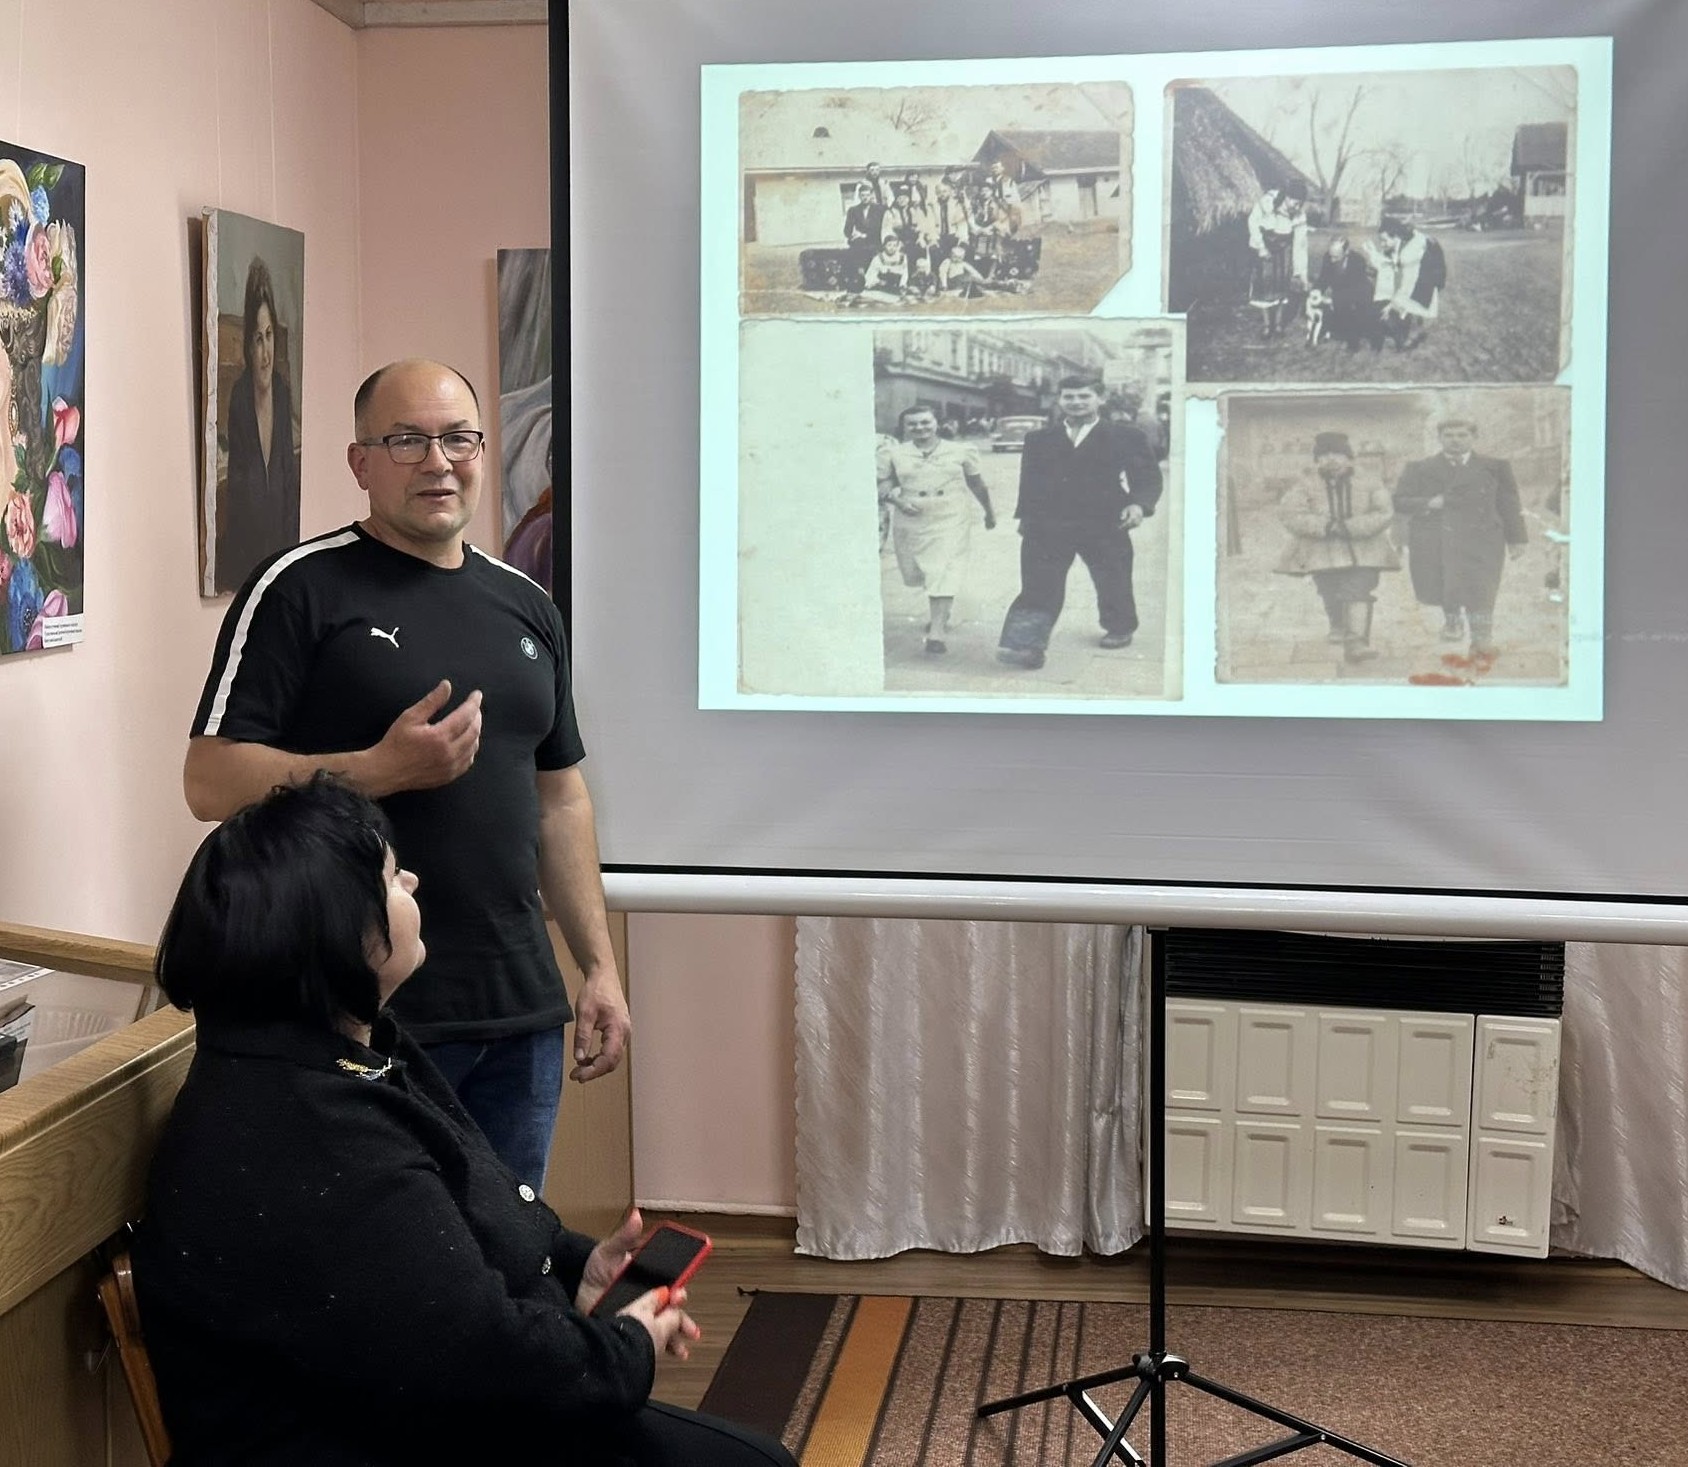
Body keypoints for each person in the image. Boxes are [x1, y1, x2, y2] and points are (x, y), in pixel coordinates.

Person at [131, 776, 796, 1467]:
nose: (413, 880)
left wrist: (576, 1269)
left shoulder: (348, 1054)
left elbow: (466, 1224)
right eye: (392, 875)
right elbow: (475, 1354)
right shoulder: (308, 1128)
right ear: (337, 931)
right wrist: (624, 1350)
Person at [182, 358, 630, 1188]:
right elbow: (209, 779)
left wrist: (598, 966)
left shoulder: (527, 605)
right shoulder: (298, 589)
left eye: (458, 438)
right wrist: (374, 770)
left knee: (512, 1257)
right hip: (362, 1014)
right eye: (407, 440)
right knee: (378, 1275)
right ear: (360, 463)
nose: (438, 460)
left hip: (518, 1010)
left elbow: (559, 799)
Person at [996, 375, 1163, 670]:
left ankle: (1119, 625)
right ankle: (1026, 644)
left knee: (1113, 576)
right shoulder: (1039, 439)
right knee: (1038, 583)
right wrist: (1026, 518)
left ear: (1099, 399)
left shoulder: (1126, 436)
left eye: (1083, 396)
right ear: (1059, 400)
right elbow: (1029, 483)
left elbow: (1147, 478)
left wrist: (1139, 504)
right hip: (1049, 523)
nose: (1075, 402)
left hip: (1105, 521)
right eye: (1069, 396)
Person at [1391, 416, 1527, 662]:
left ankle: (1481, 640)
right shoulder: (1419, 468)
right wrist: (1428, 502)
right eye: (1449, 435)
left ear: (1474, 437)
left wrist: (1517, 539)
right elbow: (1399, 500)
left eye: (1462, 435)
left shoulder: (1494, 467)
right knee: (1446, 585)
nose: (1455, 441)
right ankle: (1452, 620)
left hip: (1483, 539)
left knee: (1482, 589)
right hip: (1436, 538)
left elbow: (1509, 503)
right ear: (1440, 438)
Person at [877, 404, 995, 654]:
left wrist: (989, 512)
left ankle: (937, 632)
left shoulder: (961, 450)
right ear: (905, 427)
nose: (919, 428)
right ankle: (943, 609)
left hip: (951, 514)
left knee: (942, 568)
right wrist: (898, 501)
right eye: (913, 424)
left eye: (925, 422)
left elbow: (977, 483)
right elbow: (883, 485)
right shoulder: (894, 453)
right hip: (911, 515)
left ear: (937, 423)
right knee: (918, 570)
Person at [1274, 431, 1400, 664]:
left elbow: (1384, 512)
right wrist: (1326, 526)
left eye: (1338, 454)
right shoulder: (1305, 484)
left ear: (1349, 457)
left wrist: (1351, 527)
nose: (1331, 459)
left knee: (1358, 590)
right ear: (1317, 460)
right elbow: (1289, 514)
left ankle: (1357, 643)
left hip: (1364, 548)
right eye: (1324, 455)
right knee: (1330, 591)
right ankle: (1337, 623)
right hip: (1321, 550)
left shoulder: (1370, 481)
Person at [215, 257, 300, 592]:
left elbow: (288, 481)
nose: (266, 353)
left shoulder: (281, 392)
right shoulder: (238, 396)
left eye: (269, 336)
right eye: (257, 339)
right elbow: (238, 485)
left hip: (281, 551)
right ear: (248, 347)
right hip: (246, 551)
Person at [1365, 218, 1446, 349]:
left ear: (1396, 236)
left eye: (1385, 241)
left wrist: (1393, 304)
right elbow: (1390, 264)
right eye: (1381, 241)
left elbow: (1408, 285)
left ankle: (1415, 330)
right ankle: (1411, 324)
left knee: (1412, 303)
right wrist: (1373, 254)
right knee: (1399, 306)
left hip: (1424, 279)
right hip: (1416, 276)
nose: (1382, 244)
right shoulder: (1401, 244)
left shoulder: (1409, 253)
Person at [1245, 180, 1309, 338]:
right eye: (1295, 203)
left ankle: (1279, 325)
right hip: (1265, 247)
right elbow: (1252, 222)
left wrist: (1302, 273)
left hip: (1284, 249)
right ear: (1287, 197)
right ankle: (1267, 326)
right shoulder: (1267, 202)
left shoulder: (1299, 215)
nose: (1297, 207)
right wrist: (1261, 247)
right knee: (1264, 285)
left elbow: (1301, 245)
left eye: (1300, 204)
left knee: (1282, 285)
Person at [1311, 236, 1379, 352]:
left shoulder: (1358, 261)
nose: (1332, 260)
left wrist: (1333, 300)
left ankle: (1355, 343)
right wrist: (1317, 290)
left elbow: (1354, 290)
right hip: (1342, 292)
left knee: (1356, 313)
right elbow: (1324, 277)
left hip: (1361, 294)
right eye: (1331, 255)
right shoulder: (1328, 257)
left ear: (1346, 252)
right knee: (1341, 311)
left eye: (1336, 257)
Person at [841, 181, 884, 288]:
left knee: (872, 251)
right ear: (859, 196)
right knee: (855, 250)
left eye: (867, 195)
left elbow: (879, 228)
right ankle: (858, 279)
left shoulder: (879, 209)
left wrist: (865, 235)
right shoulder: (853, 210)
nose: (865, 198)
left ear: (871, 196)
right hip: (859, 243)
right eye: (863, 195)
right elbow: (847, 230)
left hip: (875, 240)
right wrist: (853, 234)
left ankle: (873, 281)